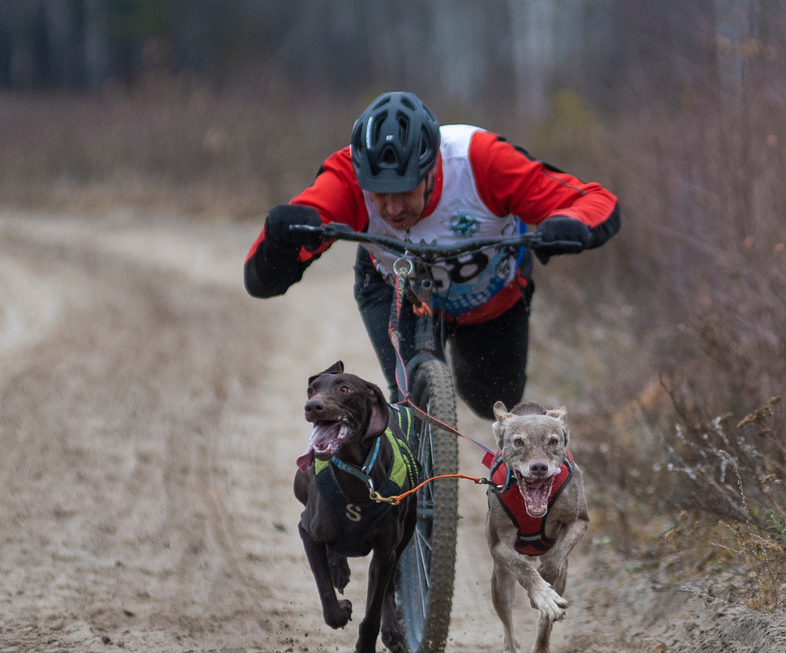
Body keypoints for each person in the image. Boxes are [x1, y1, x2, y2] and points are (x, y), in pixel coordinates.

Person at [243, 92, 620, 416]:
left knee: (492, 401)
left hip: (491, 299)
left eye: (405, 190)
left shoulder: (482, 162)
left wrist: (570, 225)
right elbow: (261, 281)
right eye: (379, 193)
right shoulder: (345, 178)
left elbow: (593, 201)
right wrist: (280, 242)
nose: (392, 208)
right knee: (411, 408)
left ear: (432, 168)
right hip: (395, 287)